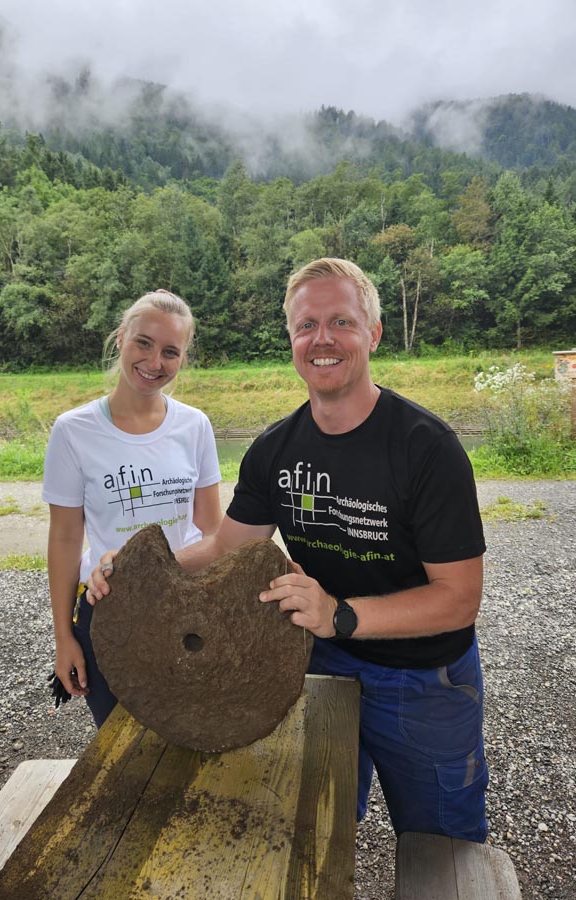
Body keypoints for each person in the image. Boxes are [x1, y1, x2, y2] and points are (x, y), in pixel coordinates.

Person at [88, 258, 488, 842]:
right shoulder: (275, 449)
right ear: (292, 338)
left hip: (422, 681)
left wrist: (339, 613)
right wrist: (129, 569)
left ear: (373, 333)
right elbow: (227, 546)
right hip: (320, 665)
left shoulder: (426, 448)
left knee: (442, 844)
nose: (321, 339)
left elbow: (458, 600)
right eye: (306, 325)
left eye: (341, 322)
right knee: (318, 825)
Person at [43, 289, 222, 728]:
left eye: (170, 351)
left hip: (183, 609)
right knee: (119, 747)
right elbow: (65, 539)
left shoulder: (194, 426)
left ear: (183, 358)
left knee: (189, 737)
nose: (154, 361)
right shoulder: (73, 431)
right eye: (143, 342)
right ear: (121, 337)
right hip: (109, 613)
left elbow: (213, 530)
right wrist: (63, 636)